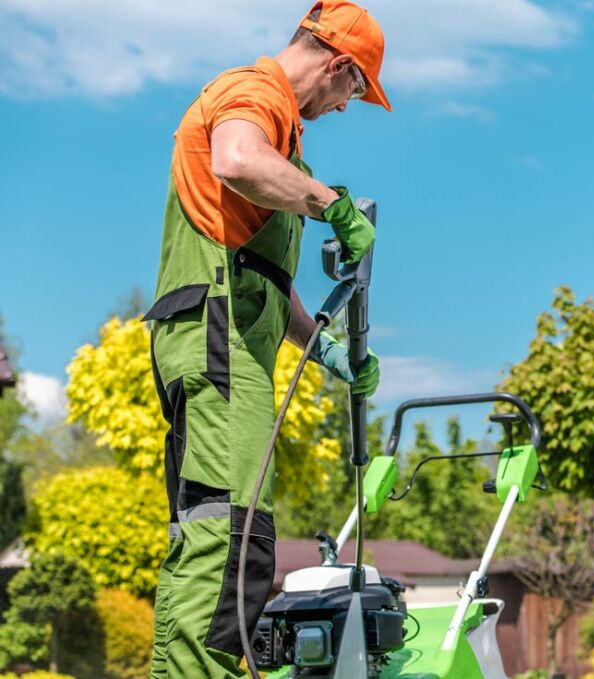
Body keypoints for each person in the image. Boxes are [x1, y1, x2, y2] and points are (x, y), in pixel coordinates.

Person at [143, 2, 389, 676]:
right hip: (216, 339)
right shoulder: (254, 94)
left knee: (223, 530)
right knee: (230, 536)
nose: (345, 107)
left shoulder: (285, 134)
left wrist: (326, 350)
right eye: (356, 90)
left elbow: (264, 279)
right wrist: (331, 203)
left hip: (230, 338)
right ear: (338, 63)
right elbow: (236, 158)